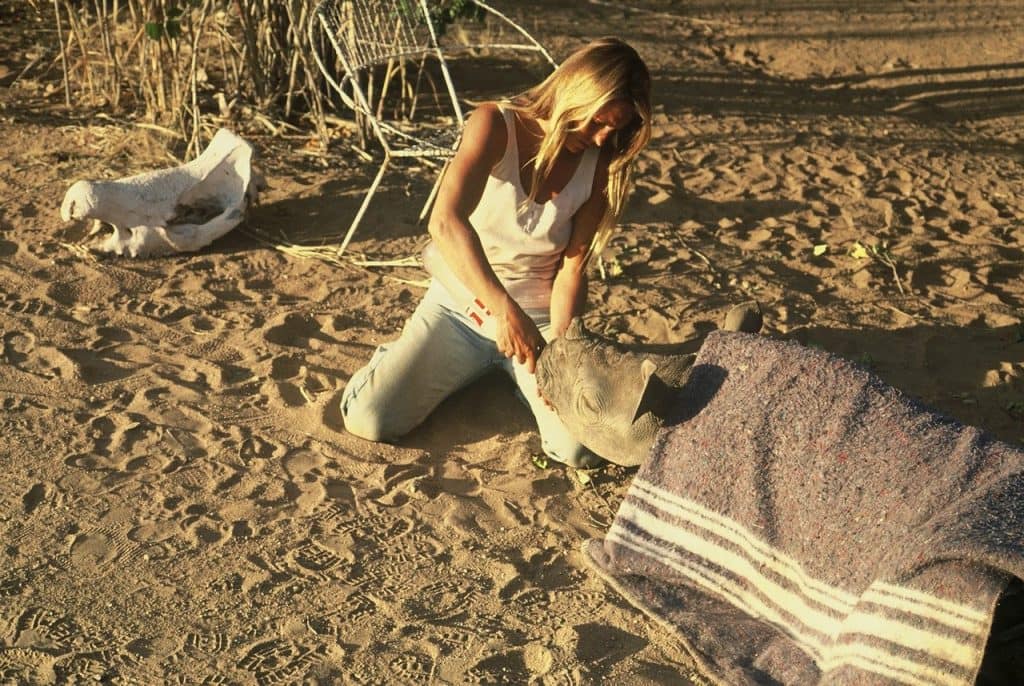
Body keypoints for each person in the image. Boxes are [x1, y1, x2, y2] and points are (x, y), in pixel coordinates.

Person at [340, 37, 652, 468]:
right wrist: (504, 313)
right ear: (576, 94)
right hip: (462, 306)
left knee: (580, 449)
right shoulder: (494, 124)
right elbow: (444, 222)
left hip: (537, 323)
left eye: (615, 130)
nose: (602, 138)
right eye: (598, 122)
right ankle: (400, 361)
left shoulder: (598, 162)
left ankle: (504, 372)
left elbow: (571, 269)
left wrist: (560, 355)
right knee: (370, 419)